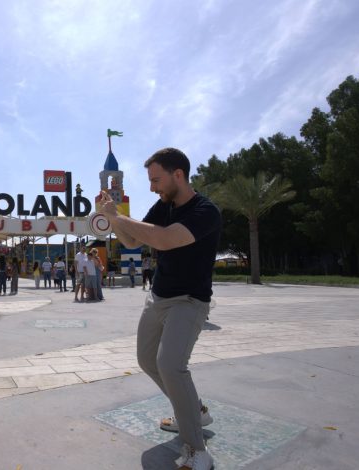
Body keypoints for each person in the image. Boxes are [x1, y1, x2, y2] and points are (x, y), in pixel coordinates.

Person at [97, 147, 221, 470]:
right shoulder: (163, 206)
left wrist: (118, 216)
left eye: (155, 180)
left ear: (177, 174)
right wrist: (112, 217)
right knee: (146, 360)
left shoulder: (206, 211)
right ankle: (193, 411)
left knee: (170, 365)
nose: (152, 188)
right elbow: (132, 241)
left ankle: (197, 451)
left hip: (189, 301)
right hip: (158, 298)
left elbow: (164, 239)